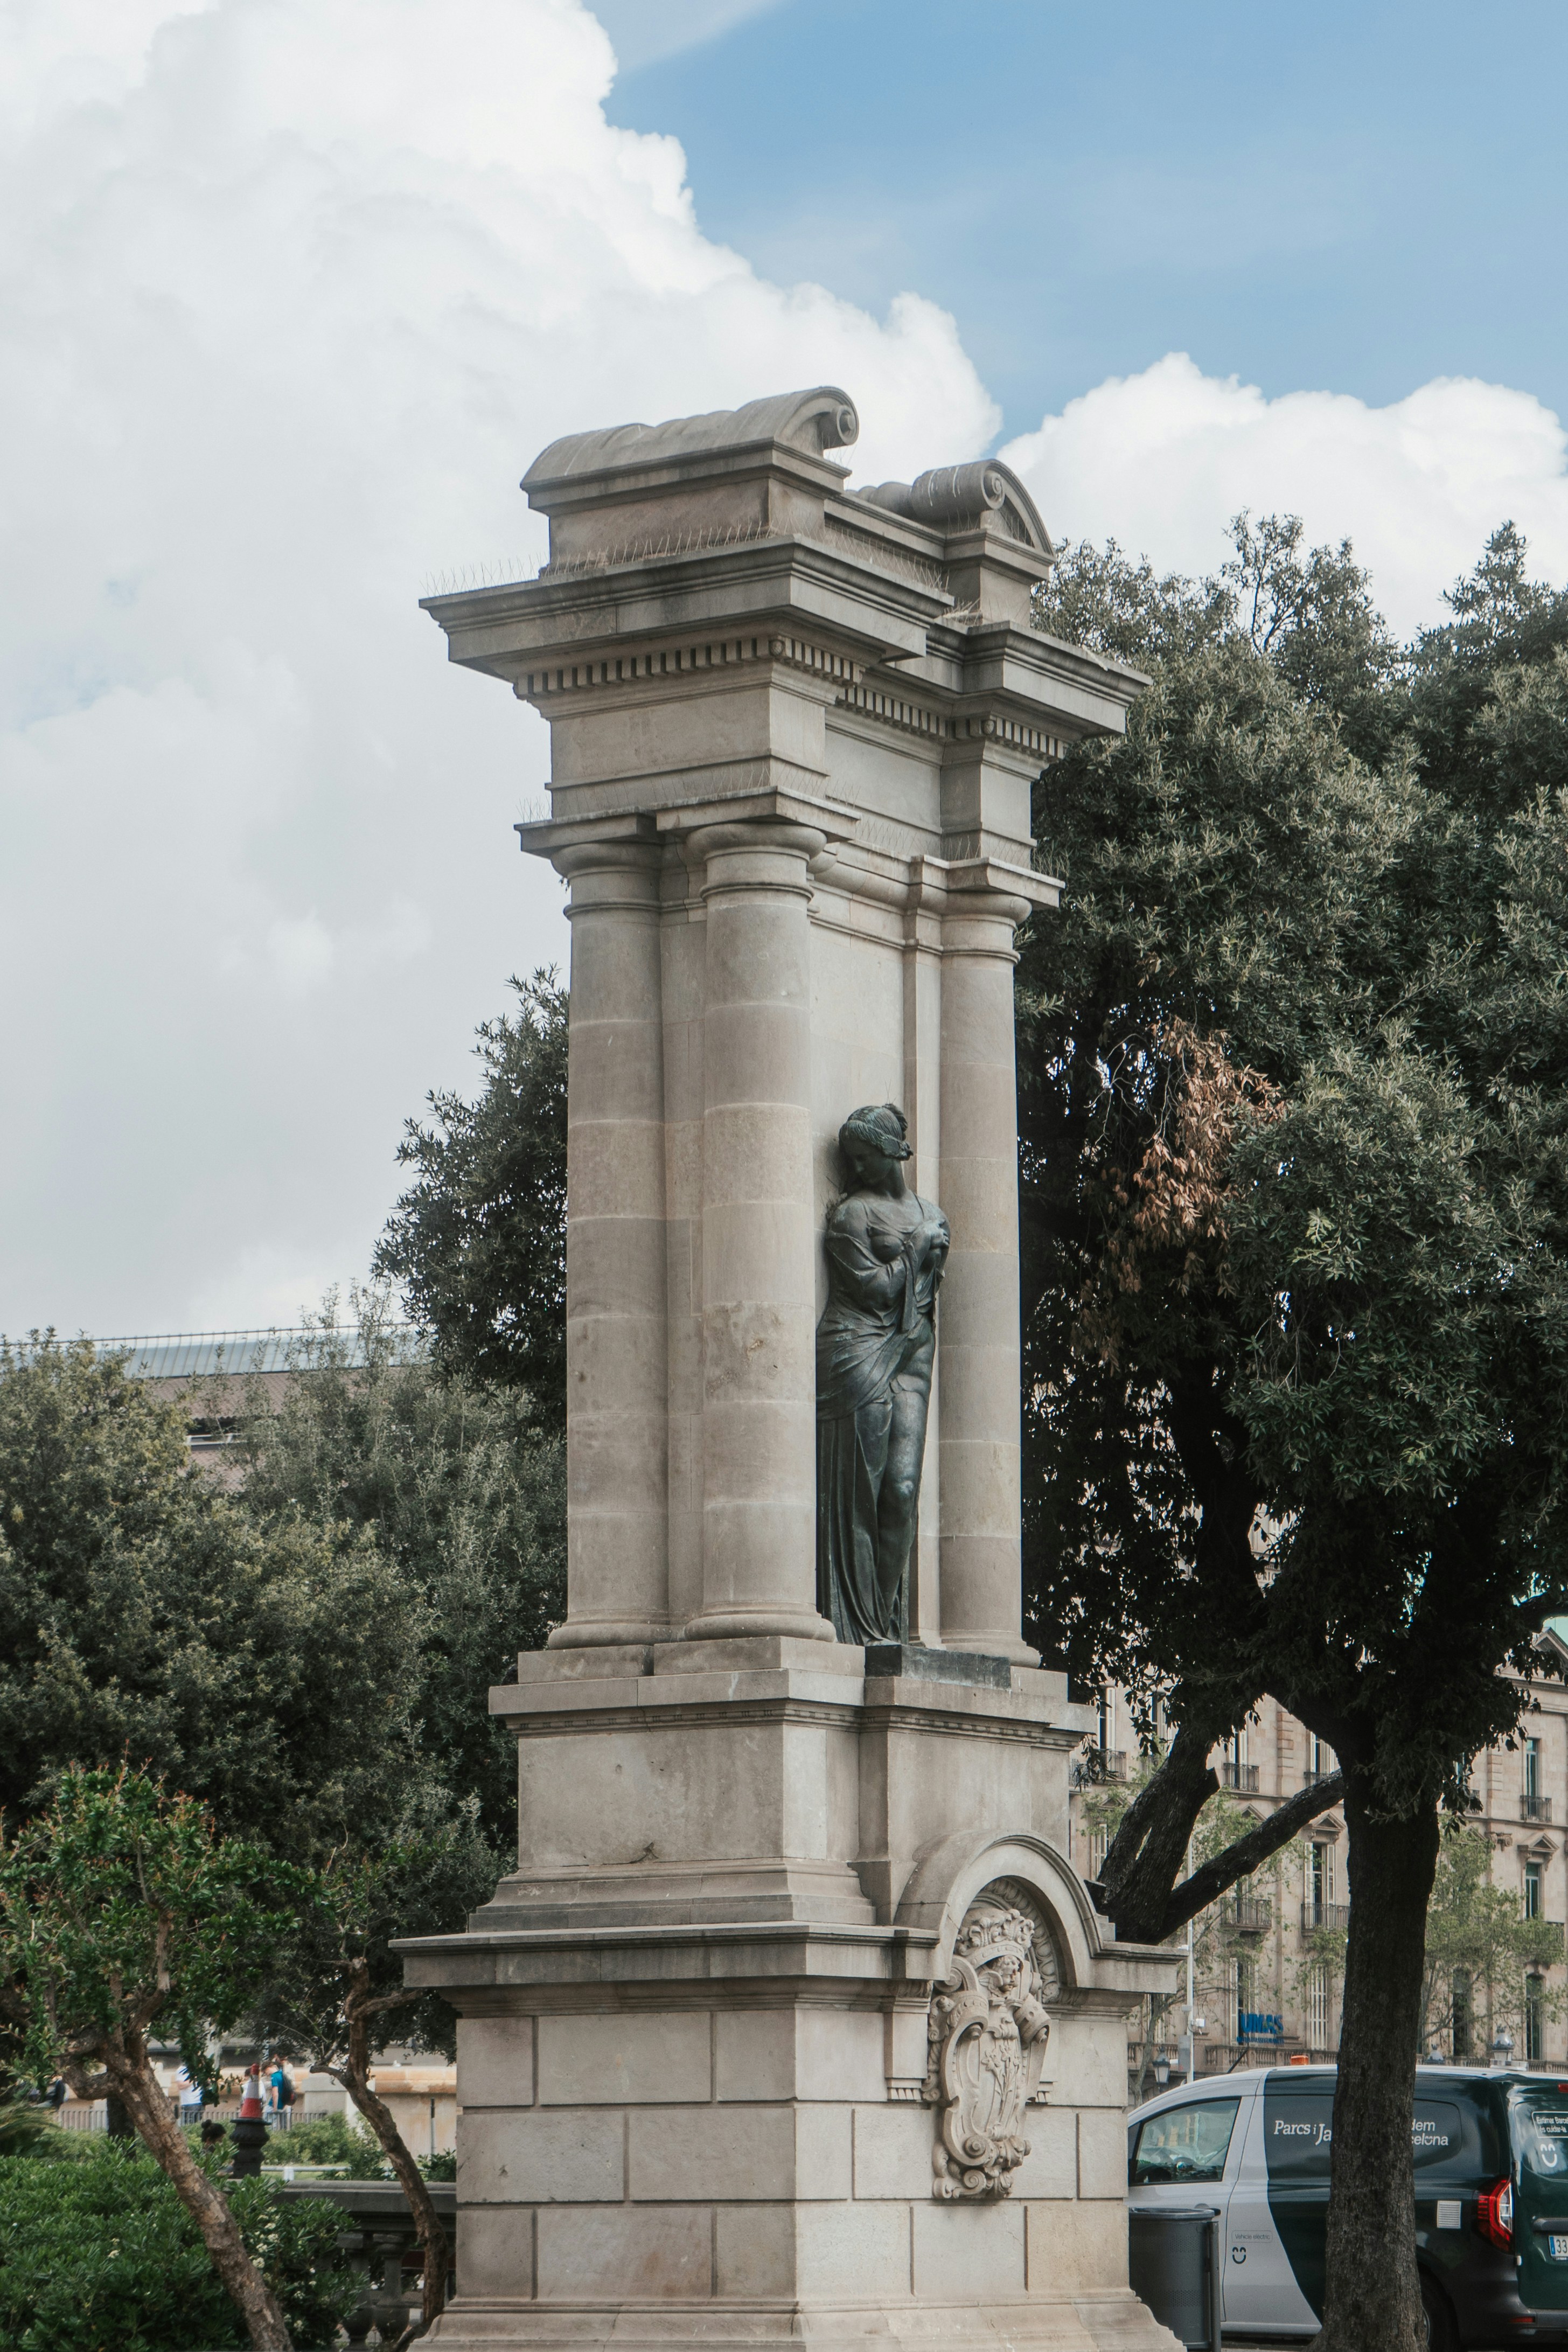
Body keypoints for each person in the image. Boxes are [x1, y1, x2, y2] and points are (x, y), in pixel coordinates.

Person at [814, 1103, 949, 1644]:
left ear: (893, 1152)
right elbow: (870, 1290)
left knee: (903, 1486)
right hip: (856, 1351)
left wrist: (917, 1258)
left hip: (913, 1351)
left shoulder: (933, 1213)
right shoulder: (852, 1216)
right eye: (852, 1159)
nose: (858, 1168)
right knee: (865, 1490)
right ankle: (865, 1626)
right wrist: (914, 1253)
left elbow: (922, 1294)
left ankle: (884, 1616)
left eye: (866, 1157)